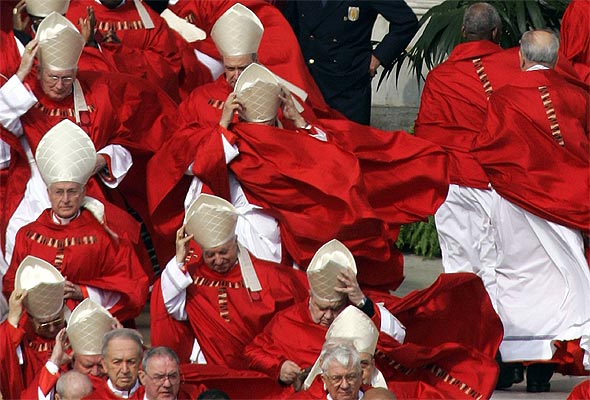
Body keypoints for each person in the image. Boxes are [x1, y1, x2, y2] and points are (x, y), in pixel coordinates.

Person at [1, 10, 179, 276]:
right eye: (52, 78)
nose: (60, 86)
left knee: (116, 245)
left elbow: (129, 139)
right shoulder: (25, 96)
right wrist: (21, 74)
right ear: (38, 72)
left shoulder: (98, 93)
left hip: (86, 192)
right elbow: (3, 123)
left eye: (67, 78)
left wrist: (102, 159)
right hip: (34, 191)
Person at [471, 29, 590, 392]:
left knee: (516, 277)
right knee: (557, 281)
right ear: (555, 60)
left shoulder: (503, 98)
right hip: (563, 205)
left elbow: (487, 148)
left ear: (521, 58)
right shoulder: (578, 97)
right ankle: (544, 365)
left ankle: (513, 360)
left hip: (515, 203)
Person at [413, 2, 520, 307]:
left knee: (458, 261)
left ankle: (462, 329)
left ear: (462, 32)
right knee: (497, 262)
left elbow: (427, 135)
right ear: (496, 32)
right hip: (499, 181)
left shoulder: (440, 77)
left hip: (455, 181)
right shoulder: (514, 68)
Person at [3, 119, 149, 323]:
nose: (65, 200)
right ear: (49, 193)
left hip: (90, 326)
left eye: (72, 192)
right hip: (38, 333)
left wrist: (84, 292)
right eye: (59, 192)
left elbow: (133, 287)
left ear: (83, 192)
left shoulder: (106, 234)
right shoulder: (27, 234)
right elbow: (11, 283)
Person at [152, 193, 308, 367]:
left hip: (263, 367)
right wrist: (180, 259)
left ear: (235, 242)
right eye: (210, 255)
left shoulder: (269, 275)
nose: (218, 260)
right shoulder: (193, 279)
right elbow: (171, 306)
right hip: (213, 368)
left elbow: (304, 304)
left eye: (224, 252)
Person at [245, 239, 406, 397]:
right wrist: (279, 367)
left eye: (335, 308)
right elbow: (252, 352)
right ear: (310, 296)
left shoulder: (356, 317)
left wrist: (363, 302)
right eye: (322, 308)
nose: (328, 316)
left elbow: (395, 339)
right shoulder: (286, 321)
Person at [280, 0, 418, 125]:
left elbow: (406, 22)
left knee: (349, 146)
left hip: (348, 85)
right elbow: (287, 26)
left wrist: (377, 59)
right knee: (312, 146)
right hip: (308, 82)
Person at [0, 256, 67, 398]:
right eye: (43, 326)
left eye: (57, 322)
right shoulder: (22, 334)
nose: (51, 330)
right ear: (30, 319)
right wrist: (12, 318)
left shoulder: (74, 325)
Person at [85, 328, 145, 399]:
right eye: (117, 362)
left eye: (131, 362)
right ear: (104, 365)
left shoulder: (153, 396)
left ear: (140, 363)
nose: (125, 370)